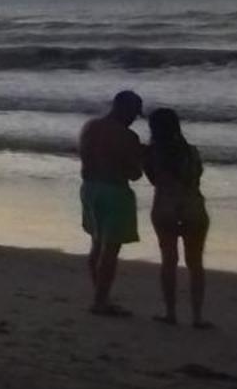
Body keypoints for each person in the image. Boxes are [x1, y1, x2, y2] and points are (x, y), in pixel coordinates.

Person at [76, 90, 145, 316]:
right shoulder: (127, 137)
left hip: (89, 188)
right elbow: (134, 174)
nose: (135, 117)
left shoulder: (90, 127)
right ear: (123, 109)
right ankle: (100, 301)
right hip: (114, 190)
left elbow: (84, 156)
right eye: (134, 112)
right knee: (110, 249)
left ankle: (100, 295)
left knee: (96, 243)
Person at [143, 107, 211, 328]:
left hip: (166, 205)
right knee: (195, 263)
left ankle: (170, 312)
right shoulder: (192, 151)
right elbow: (197, 177)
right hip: (193, 205)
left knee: (169, 261)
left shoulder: (151, 153)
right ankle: (197, 316)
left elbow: (154, 180)